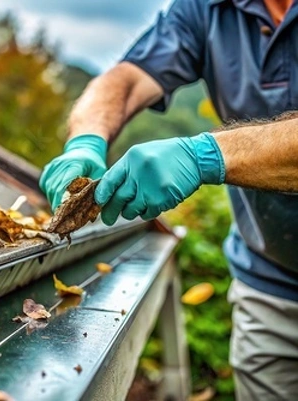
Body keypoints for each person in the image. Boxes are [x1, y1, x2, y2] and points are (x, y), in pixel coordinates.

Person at [39, 0, 298, 400]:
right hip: (269, 284)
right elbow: (125, 79)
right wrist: (86, 139)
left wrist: (207, 156)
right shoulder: (207, 9)